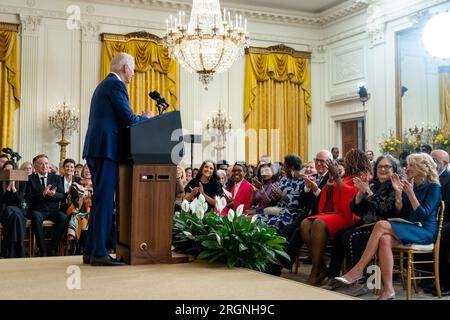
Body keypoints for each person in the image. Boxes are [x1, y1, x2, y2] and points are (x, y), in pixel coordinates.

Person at [336, 153, 441, 300]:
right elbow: (401, 212)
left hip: (424, 230)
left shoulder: (434, 187)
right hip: (409, 226)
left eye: (411, 165)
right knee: (384, 239)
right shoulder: (411, 185)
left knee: (381, 225)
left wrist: (410, 193)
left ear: (421, 168)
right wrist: (399, 194)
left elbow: (423, 215)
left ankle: (359, 269)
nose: (406, 168)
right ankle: (389, 289)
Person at [82, 52, 152, 266]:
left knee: (100, 200)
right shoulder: (115, 85)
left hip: (99, 149)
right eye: (132, 68)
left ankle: (91, 250)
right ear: (125, 68)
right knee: (104, 201)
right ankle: (100, 253)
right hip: (106, 150)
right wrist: (147, 118)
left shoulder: (105, 85)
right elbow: (129, 119)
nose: (133, 73)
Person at [301, 149, 372, 285]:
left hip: (351, 216)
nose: (346, 163)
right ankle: (321, 267)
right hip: (339, 214)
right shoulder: (347, 176)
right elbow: (331, 198)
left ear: (355, 161)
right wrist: (330, 183)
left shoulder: (364, 176)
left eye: (348, 160)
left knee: (319, 223)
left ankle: (315, 271)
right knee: (305, 223)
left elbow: (350, 198)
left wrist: (337, 178)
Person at [26, 154, 66, 257]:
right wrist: (42, 194)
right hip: (37, 210)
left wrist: (53, 195)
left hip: (53, 210)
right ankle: (43, 250)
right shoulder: (29, 179)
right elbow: (28, 198)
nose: (44, 166)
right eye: (41, 164)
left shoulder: (56, 178)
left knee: (63, 217)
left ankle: (52, 249)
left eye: (46, 163)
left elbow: (62, 195)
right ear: (35, 166)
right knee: (35, 217)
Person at [0, 161, 27, 258]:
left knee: (14, 215)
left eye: (11, 170)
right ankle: (19, 249)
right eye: (6, 170)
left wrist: (14, 190)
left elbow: (20, 202)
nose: (9, 173)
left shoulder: (23, 183)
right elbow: (1, 201)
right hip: (4, 212)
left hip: (19, 211)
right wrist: (8, 189)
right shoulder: (0, 182)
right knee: (12, 213)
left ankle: (7, 249)